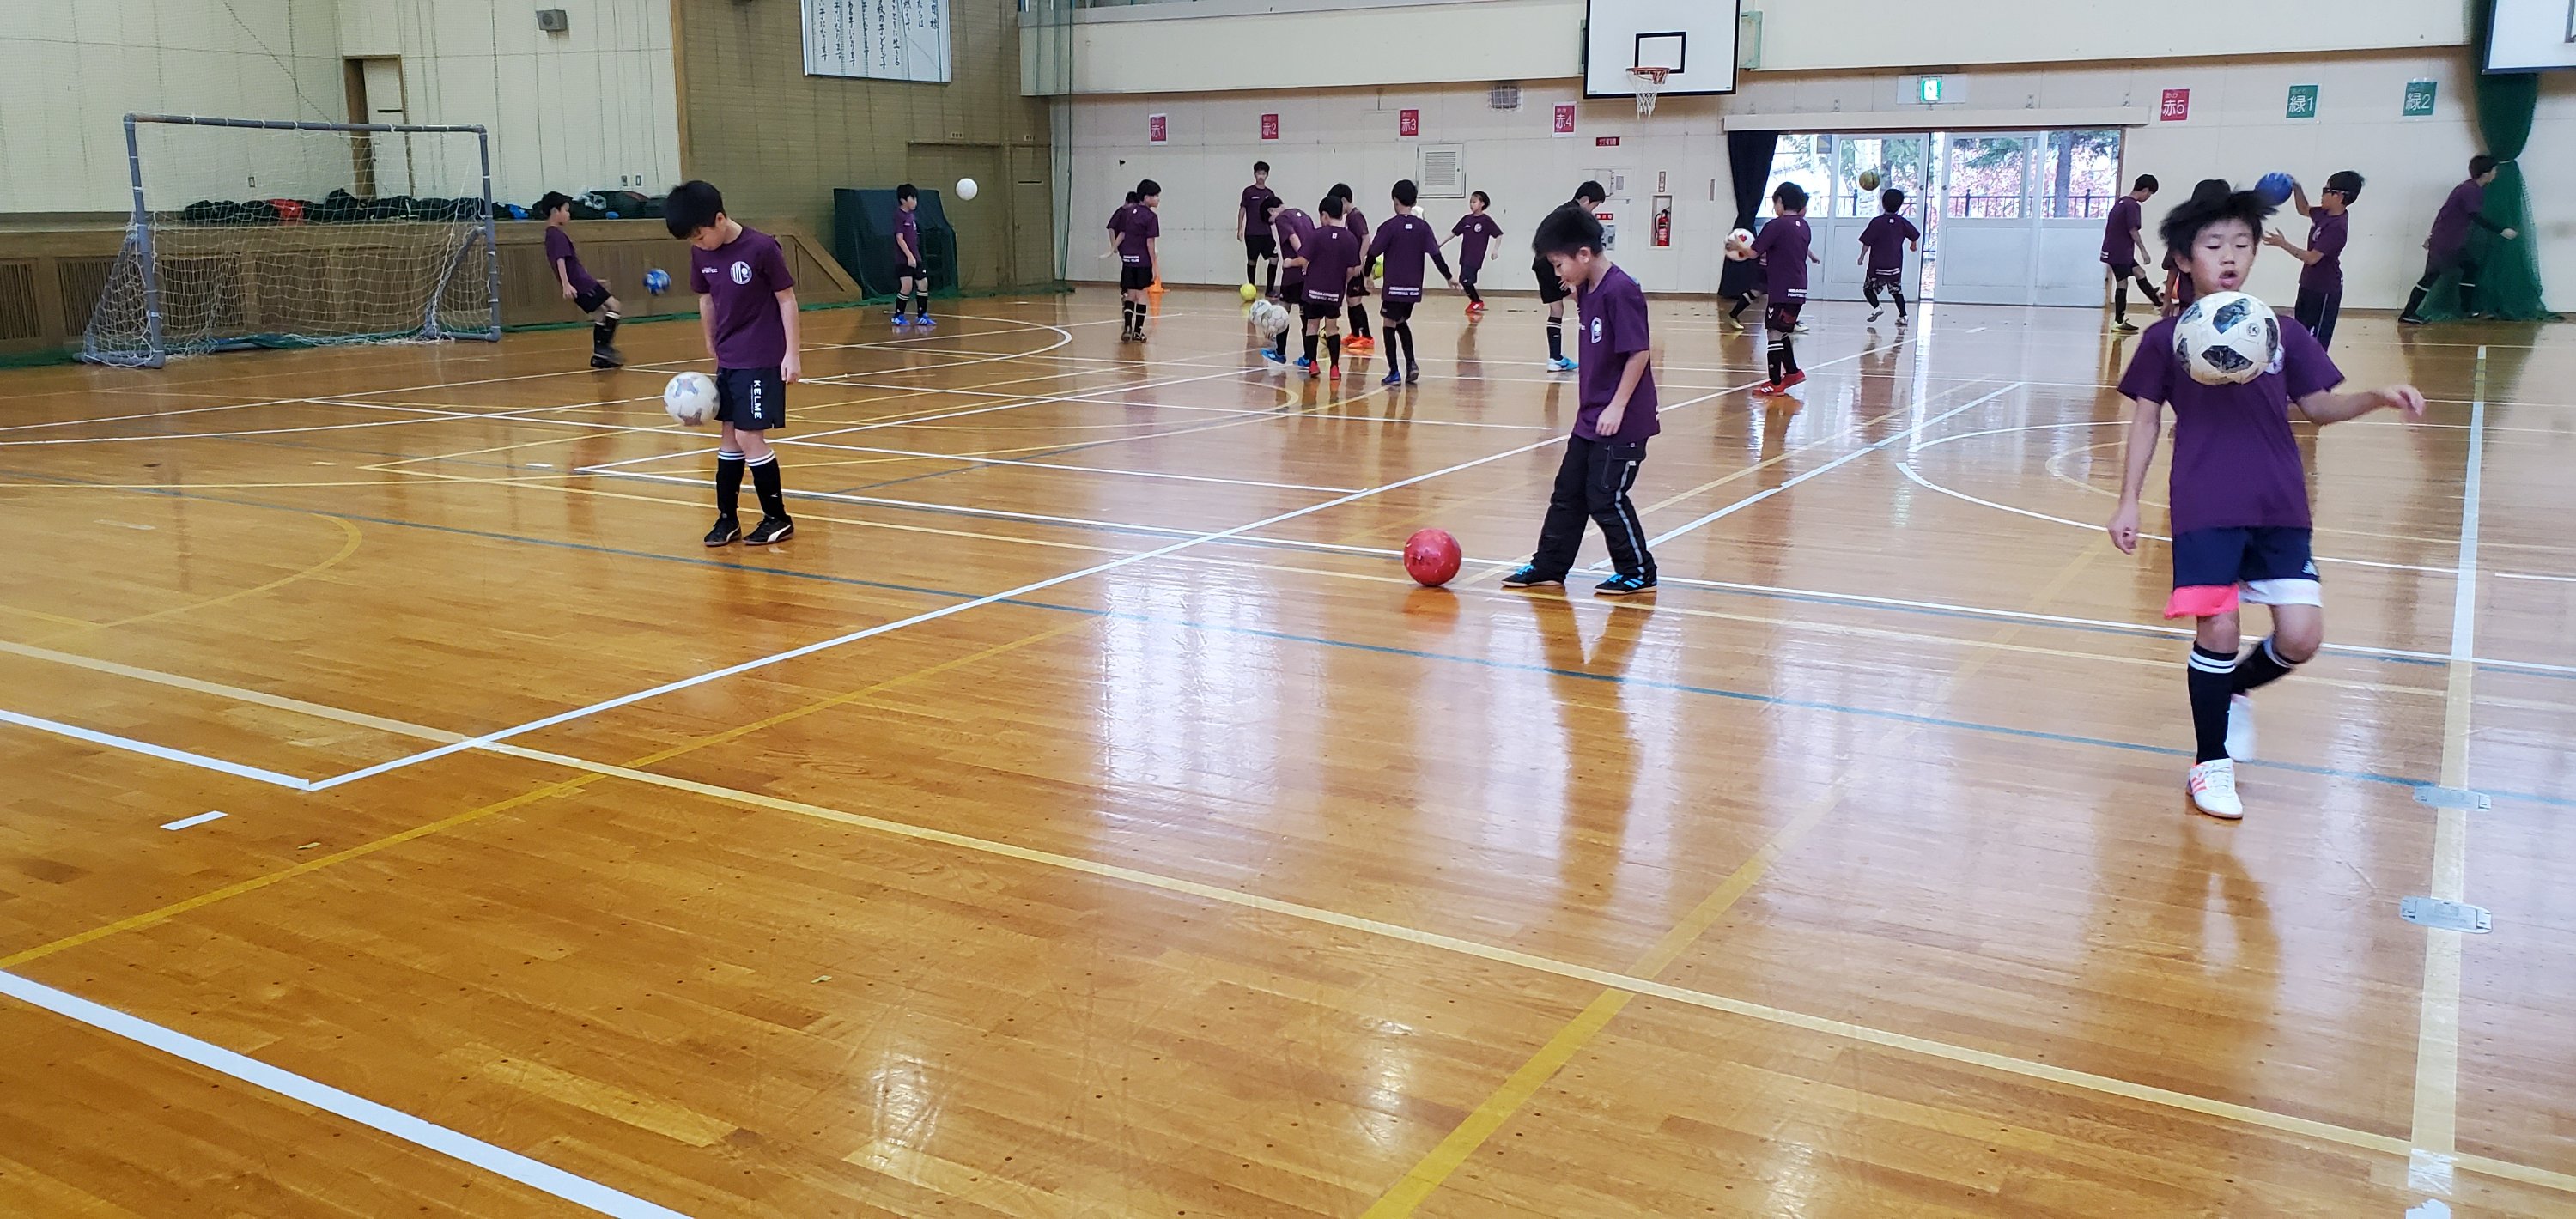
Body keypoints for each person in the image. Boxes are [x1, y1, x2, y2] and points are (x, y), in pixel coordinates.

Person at [2105, 181, 2426, 820]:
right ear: (2183, 258)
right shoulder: (2164, 340)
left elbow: (2319, 407)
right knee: (2219, 628)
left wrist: (2376, 397)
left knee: (2302, 636)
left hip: (2280, 502)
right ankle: (2210, 764)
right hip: (2204, 503)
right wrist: (2128, 501)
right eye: (2213, 244)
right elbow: (2145, 421)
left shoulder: (2281, 331)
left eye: (2242, 244)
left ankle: (2234, 691)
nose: (2229, 255)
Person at [1502, 207, 1658, 597]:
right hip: (1590, 416)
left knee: (1605, 497)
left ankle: (1639, 571)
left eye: (1559, 264)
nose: (1558, 273)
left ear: (1584, 254)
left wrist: (1617, 406)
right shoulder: (1587, 289)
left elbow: (1639, 352)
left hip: (1621, 419)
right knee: (1568, 493)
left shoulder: (1621, 290)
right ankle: (1549, 567)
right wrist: (1576, 293)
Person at [667, 179, 803, 548]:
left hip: (761, 356)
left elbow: (787, 299)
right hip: (729, 357)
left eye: (700, 236)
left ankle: (777, 518)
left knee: (748, 436)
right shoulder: (701, 254)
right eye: (692, 241)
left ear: (720, 219)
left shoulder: (761, 248)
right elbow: (706, 299)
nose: (698, 244)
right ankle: (727, 518)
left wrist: (792, 353)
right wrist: (709, 339)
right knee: (728, 436)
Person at [2400, 155, 2520, 324]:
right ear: (2486, 173)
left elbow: (2444, 213)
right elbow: (2475, 217)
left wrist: (2432, 236)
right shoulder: (2469, 190)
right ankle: (2408, 314)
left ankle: (2467, 310)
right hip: (2446, 243)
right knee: (2431, 276)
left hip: (2452, 241)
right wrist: (2501, 230)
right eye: (2494, 170)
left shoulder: (2470, 188)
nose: (2496, 173)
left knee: (2471, 267)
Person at [1365, 179, 1457, 386]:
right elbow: (1436, 255)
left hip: (1394, 288)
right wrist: (1449, 277)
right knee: (1401, 321)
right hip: (1413, 289)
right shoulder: (1423, 228)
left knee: (1389, 323)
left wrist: (1366, 274)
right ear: (1414, 201)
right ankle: (1411, 364)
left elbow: (1372, 253)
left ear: (1395, 200)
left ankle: (1394, 372)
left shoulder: (1389, 227)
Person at [2264, 171, 2362, 349]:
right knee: (2301, 333)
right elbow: (2303, 208)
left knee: (2316, 343)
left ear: (2340, 197)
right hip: (2308, 284)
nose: (2322, 194)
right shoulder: (2324, 214)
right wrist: (2296, 188)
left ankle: (2316, 367)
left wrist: (2283, 244)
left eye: (2326, 190)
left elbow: (2312, 258)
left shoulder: (2337, 227)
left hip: (2325, 290)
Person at [1749, 182, 1817, 397]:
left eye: (1774, 203)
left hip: (1781, 288)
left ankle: (1775, 382)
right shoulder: (1804, 226)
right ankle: (1793, 372)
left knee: (1773, 332)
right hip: (1799, 288)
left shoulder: (1776, 225)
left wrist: (1737, 247)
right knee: (1783, 330)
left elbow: (1753, 252)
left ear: (1780, 201)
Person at [539, 191, 621, 367]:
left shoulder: (551, 234)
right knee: (614, 306)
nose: (569, 214)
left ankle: (600, 357)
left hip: (582, 282)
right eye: (566, 210)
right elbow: (560, 260)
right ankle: (604, 349)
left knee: (600, 313)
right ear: (555, 211)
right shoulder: (556, 235)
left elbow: (570, 263)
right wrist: (566, 285)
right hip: (580, 284)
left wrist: (592, 281)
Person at [1285, 193, 1362, 382]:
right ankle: (1334, 368)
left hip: (1313, 290)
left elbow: (1303, 259)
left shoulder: (1316, 235)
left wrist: (1289, 262)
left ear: (1325, 215)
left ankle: (1313, 364)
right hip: (1334, 292)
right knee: (1332, 328)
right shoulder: (1350, 238)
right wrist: (1343, 281)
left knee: (1312, 326)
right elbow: (1353, 269)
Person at [1532, 181, 1606, 372]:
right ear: (1586, 200)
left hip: (1541, 263)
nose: (1593, 211)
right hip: (1553, 262)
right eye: (1594, 206)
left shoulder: (1562, 211)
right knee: (1584, 301)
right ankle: (1592, 356)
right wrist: (1563, 272)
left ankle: (1555, 358)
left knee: (1556, 310)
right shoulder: (1574, 216)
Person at [2102, 174, 2164, 332]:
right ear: (2145, 190)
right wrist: (2144, 251)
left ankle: (2158, 304)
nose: (2148, 197)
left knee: (2139, 273)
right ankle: (2119, 321)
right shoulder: (2132, 206)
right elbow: (2133, 230)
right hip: (2119, 252)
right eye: (2149, 194)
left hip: (2114, 251)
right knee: (2123, 282)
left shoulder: (2121, 202)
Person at [1856, 188, 1919, 328]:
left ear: (1883, 203)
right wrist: (1913, 246)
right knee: (1896, 292)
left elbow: (1867, 243)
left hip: (1877, 267)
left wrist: (1861, 257)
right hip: (1894, 267)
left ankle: (1877, 307)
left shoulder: (1877, 222)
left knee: (1868, 289)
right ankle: (1903, 316)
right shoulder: (1902, 222)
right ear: (1900, 205)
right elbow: (1914, 235)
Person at [1108, 180, 1161, 342]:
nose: (1158, 199)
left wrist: (1113, 248)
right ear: (1146, 197)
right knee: (1142, 295)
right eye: (1155, 196)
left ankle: (1127, 328)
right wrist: (1154, 266)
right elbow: (1150, 243)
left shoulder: (1128, 213)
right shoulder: (1151, 217)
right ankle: (1137, 331)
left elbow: (1122, 233)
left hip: (1128, 261)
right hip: (1143, 261)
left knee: (1130, 295)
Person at [1264, 197, 1315, 368]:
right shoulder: (1304, 215)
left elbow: (1293, 237)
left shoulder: (1282, 218)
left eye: (1271, 222)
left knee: (1282, 310)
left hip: (1294, 274)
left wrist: (1302, 258)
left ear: (1271, 211)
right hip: (1308, 274)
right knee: (1306, 315)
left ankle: (1280, 353)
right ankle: (1309, 356)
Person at [1330, 183, 1376, 353]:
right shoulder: (1350, 218)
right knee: (1350, 299)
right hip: (1352, 264)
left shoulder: (1356, 217)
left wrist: (1359, 261)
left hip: (1357, 266)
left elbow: (1366, 238)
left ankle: (1367, 337)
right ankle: (1355, 334)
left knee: (1355, 300)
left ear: (1343, 201)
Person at [1446, 191, 1502, 316]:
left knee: (1466, 280)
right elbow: (1454, 233)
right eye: (1470, 202)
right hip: (1465, 255)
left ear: (1482, 204)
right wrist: (1440, 243)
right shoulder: (1466, 219)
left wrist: (1495, 250)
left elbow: (1498, 234)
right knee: (1464, 279)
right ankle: (1475, 301)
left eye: (1474, 202)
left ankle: (1477, 301)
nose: (1472, 204)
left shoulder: (1486, 221)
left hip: (1475, 256)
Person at [891, 183, 932, 329]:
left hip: (916, 256)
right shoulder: (899, 215)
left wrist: (915, 256)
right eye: (912, 198)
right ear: (903, 200)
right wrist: (909, 256)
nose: (915, 202)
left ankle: (922, 315)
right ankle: (898, 316)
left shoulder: (911, 216)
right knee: (907, 286)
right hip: (904, 259)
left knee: (923, 284)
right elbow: (899, 238)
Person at [1239, 161, 1281, 299]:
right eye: (1259, 173)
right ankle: (1251, 289)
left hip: (1266, 233)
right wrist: (1240, 228)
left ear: (1267, 175)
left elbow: (1275, 212)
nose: (1261, 176)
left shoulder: (1270, 193)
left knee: (1274, 259)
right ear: (1254, 174)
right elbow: (1242, 209)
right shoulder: (1248, 192)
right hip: (1252, 233)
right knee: (1252, 261)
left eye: (1263, 174)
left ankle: (1270, 290)